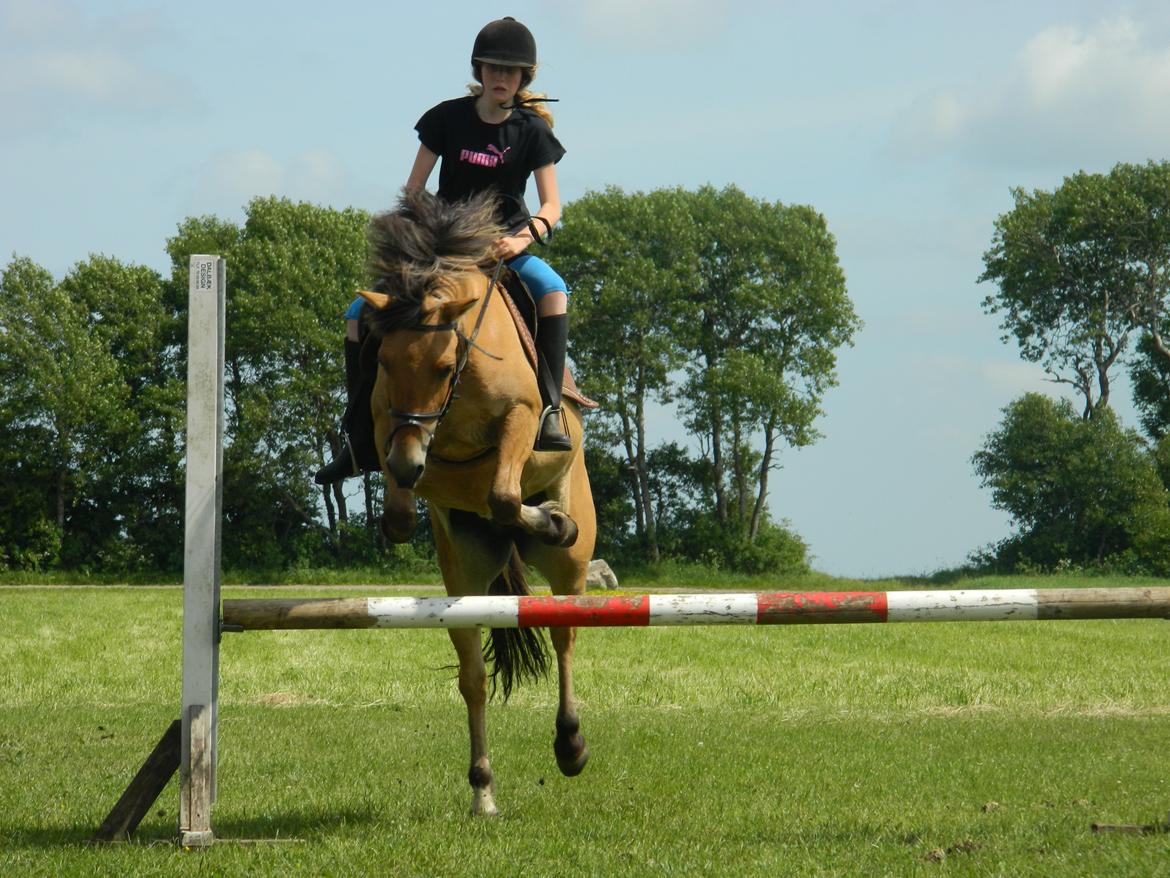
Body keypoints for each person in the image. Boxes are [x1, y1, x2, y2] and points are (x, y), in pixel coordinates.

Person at [315, 16, 572, 486]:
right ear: (480, 70)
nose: (501, 78)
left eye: (510, 72)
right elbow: (414, 189)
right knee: (357, 312)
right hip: (444, 249)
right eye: (493, 69)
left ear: (523, 79)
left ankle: (551, 410)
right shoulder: (445, 118)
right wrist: (424, 236)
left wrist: (521, 238)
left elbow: (552, 205)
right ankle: (355, 436)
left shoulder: (532, 131)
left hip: (503, 247)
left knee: (554, 291)